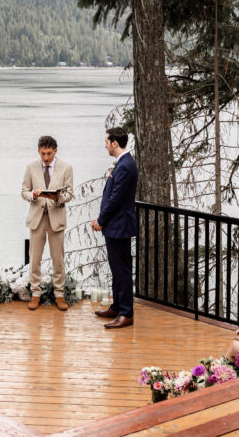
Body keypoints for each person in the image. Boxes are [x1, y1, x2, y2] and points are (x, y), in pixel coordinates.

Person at [20, 135, 74, 311]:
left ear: (55, 151)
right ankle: (35, 293)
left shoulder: (66, 167)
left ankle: (59, 294)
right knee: (35, 258)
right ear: (38, 151)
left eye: (49, 154)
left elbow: (69, 194)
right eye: (42, 153)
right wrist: (33, 195)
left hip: (56, 217)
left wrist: (59, 199)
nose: (45, 157)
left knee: (58, 259)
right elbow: (24, 192)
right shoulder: (31, 167)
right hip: (37, 218)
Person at [91, 127, 138, 330]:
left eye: (106, 141)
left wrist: (101, 220)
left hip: (119, 225)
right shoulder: (123, 163)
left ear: (115, 143)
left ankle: (126, 313)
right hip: (115, 225)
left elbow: (116, 198)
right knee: (116, 269)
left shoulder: (126, 165)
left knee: (122, 270)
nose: (105, 145)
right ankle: (117, 306)